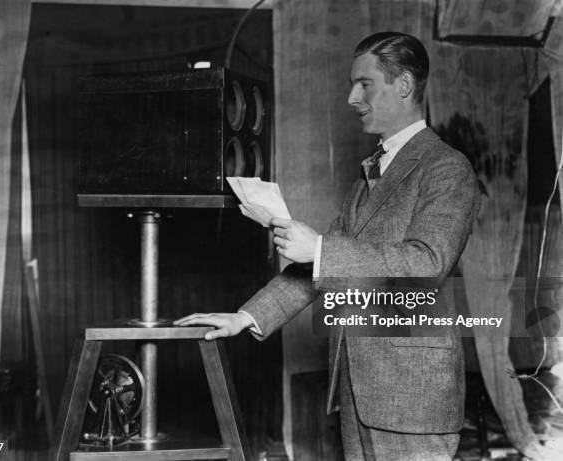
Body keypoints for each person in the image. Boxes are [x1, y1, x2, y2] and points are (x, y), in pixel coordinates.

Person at [175, 32, 481, 460]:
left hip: (413, 396)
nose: (352, 97)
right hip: (359, 388)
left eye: (365, 83)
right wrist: (247, 316)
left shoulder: (447, 168)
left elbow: (427, 262)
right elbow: (319, 269)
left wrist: (319, 249)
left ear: (406, 85)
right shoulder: (369, 177)